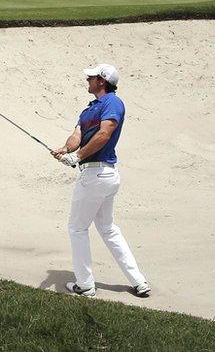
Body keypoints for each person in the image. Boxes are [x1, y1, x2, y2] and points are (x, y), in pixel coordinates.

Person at [52, 64, 151, 299]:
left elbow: (104, 134)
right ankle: (138, 281)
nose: (88, 79)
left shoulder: (112, 103)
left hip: (96, 175)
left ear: (102, 81)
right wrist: (65, 149)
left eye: (92, 77)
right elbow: (77, 134)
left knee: (77, 228)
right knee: (107, 228)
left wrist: (76, 157)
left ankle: (85, 285)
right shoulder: (89, 110)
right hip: (101, 177)